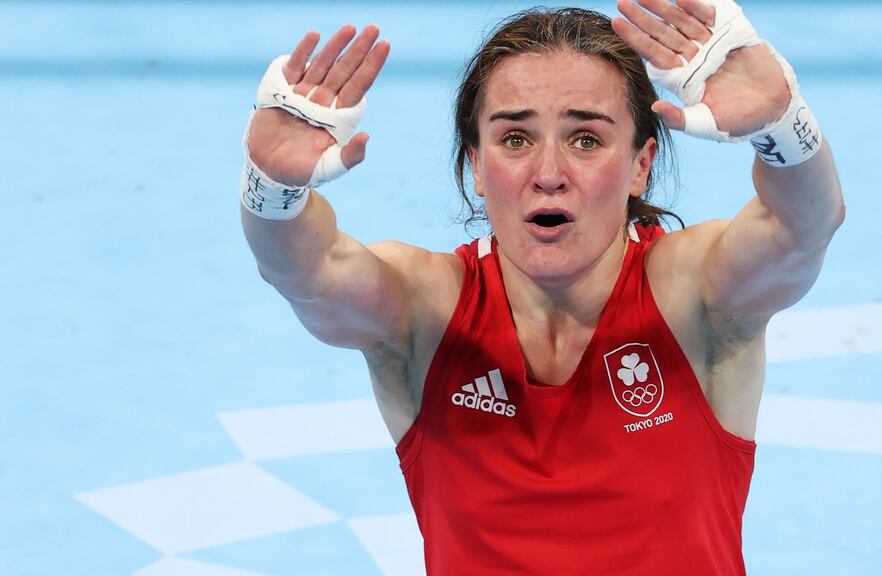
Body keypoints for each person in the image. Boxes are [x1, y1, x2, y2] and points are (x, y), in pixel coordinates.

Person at [240, 0, 844, 573]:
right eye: (515, 139)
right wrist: (273, 190)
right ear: (475, 166)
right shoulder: (424, 310)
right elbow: (305, 270)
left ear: (641, 164)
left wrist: (782, 126)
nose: (548, 175)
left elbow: (800, 227)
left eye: (586, 139)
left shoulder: (695, 295)